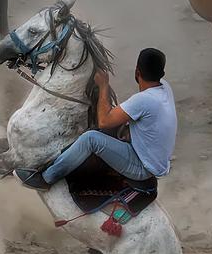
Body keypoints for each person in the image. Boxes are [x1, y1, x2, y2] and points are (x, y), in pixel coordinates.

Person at [14, 47, 177, 190]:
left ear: (137, 72)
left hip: (142, 167)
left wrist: (104, 85)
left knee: (91, 139)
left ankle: (45, 179)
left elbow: (104, 122)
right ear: (161, 74)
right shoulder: (165, 88)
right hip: (157, 160)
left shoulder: (143, 100)